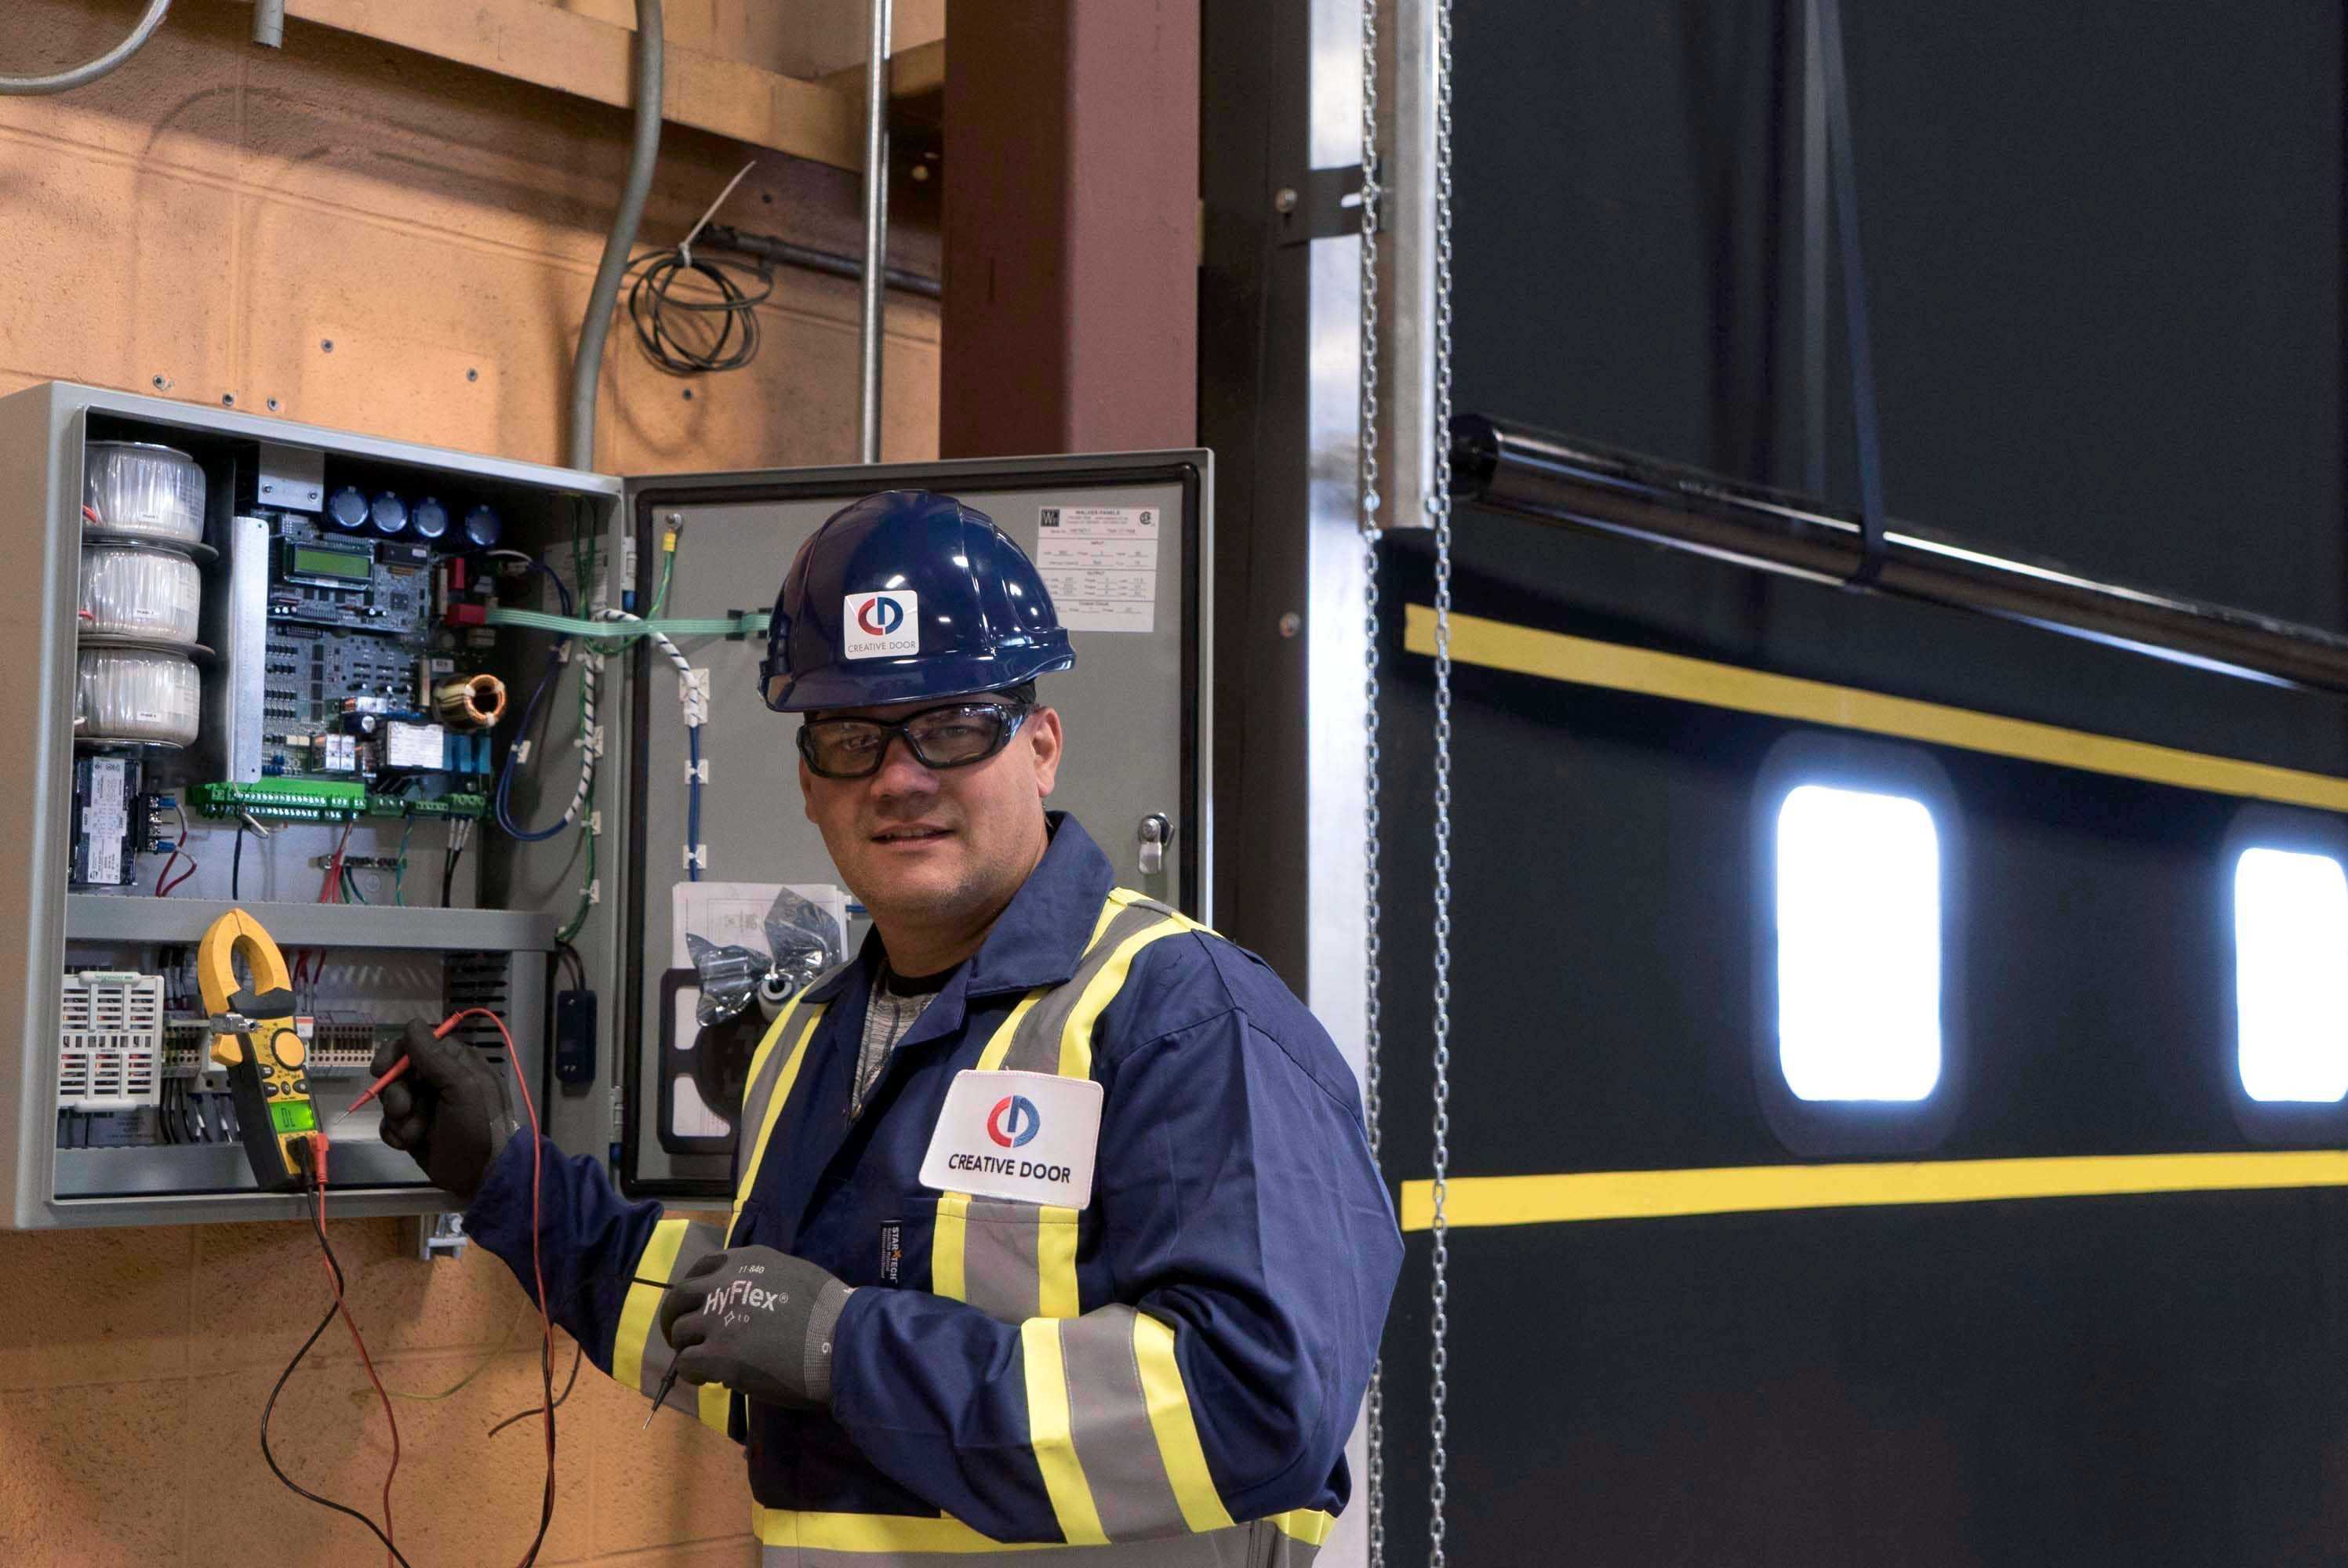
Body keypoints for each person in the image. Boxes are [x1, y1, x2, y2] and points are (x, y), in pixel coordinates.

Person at [373, 489, 1401, 1566]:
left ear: (1041, 746)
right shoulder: (808, 1040)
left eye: (953, 726)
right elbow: (758, 1350)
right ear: (809, 784)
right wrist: (515, 1190)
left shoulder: (1181, 1018)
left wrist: (845, 1345)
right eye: (852, 737)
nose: (900, 778)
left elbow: (1254, 1404)